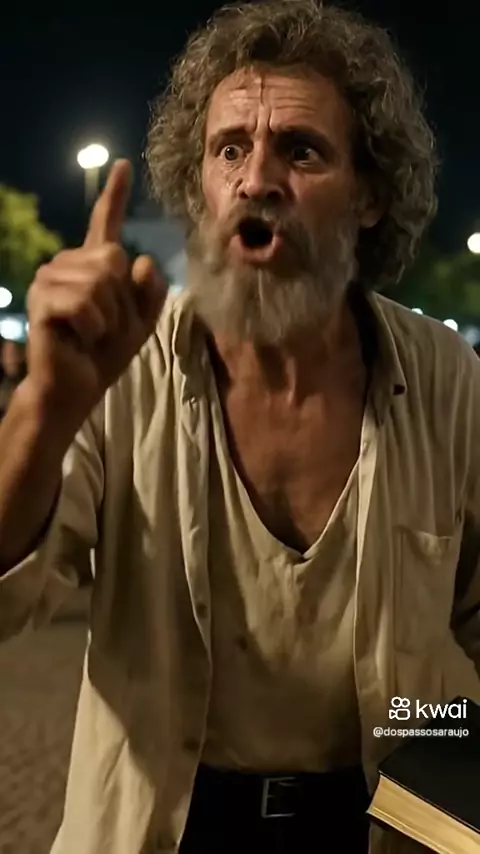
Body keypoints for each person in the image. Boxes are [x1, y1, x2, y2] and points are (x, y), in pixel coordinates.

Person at [0, 1, 479, 852]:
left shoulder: (446, 379)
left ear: (369, 195)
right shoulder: (125, 367)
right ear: (200, 187)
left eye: (301, 150)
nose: (257, 179)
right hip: (163, 830)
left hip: (375, 828)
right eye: (229, 149)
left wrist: (440, 820)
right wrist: (45, 405)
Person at [0, 338, 27, 420]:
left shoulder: (28, 387)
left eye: (14, 354)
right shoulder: (4, 388)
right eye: (8, 355)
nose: (11, 359)